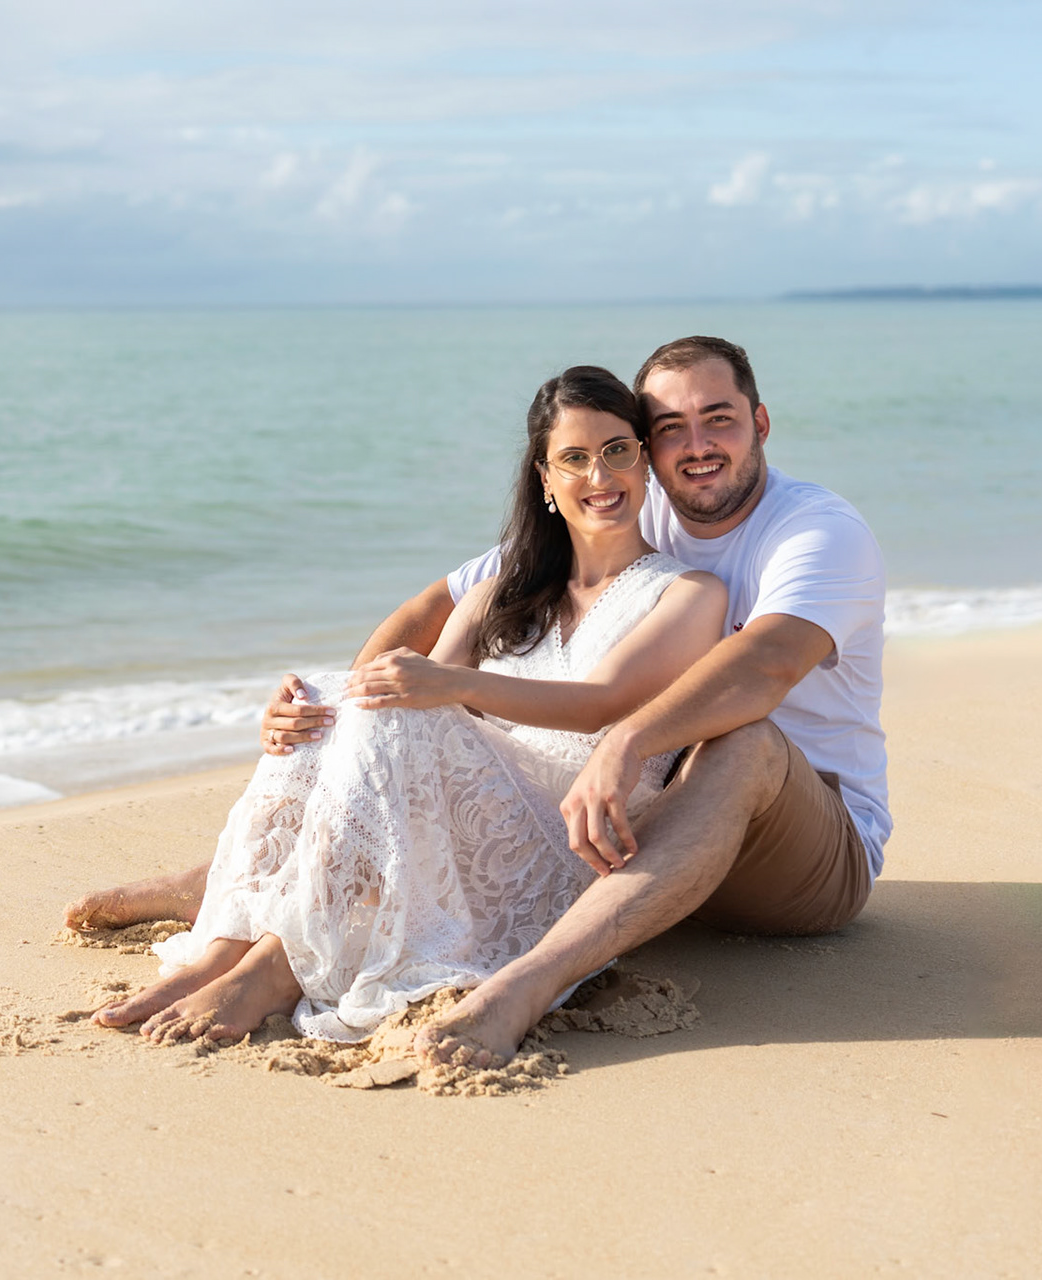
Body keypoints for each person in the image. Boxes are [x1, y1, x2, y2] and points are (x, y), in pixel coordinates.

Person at [71, 336, 889, 1068]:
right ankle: (234, 907)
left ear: (760, 423)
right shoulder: (606, 525)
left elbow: (765, 665)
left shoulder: (808, 532)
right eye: (671, 427)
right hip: (638, 840)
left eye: (719, 420)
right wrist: (325, 715)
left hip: (796, 842)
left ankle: (518, 987)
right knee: (350, 699)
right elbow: (427, 618)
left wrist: (624, 740)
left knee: (740, 739)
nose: (696, 446)